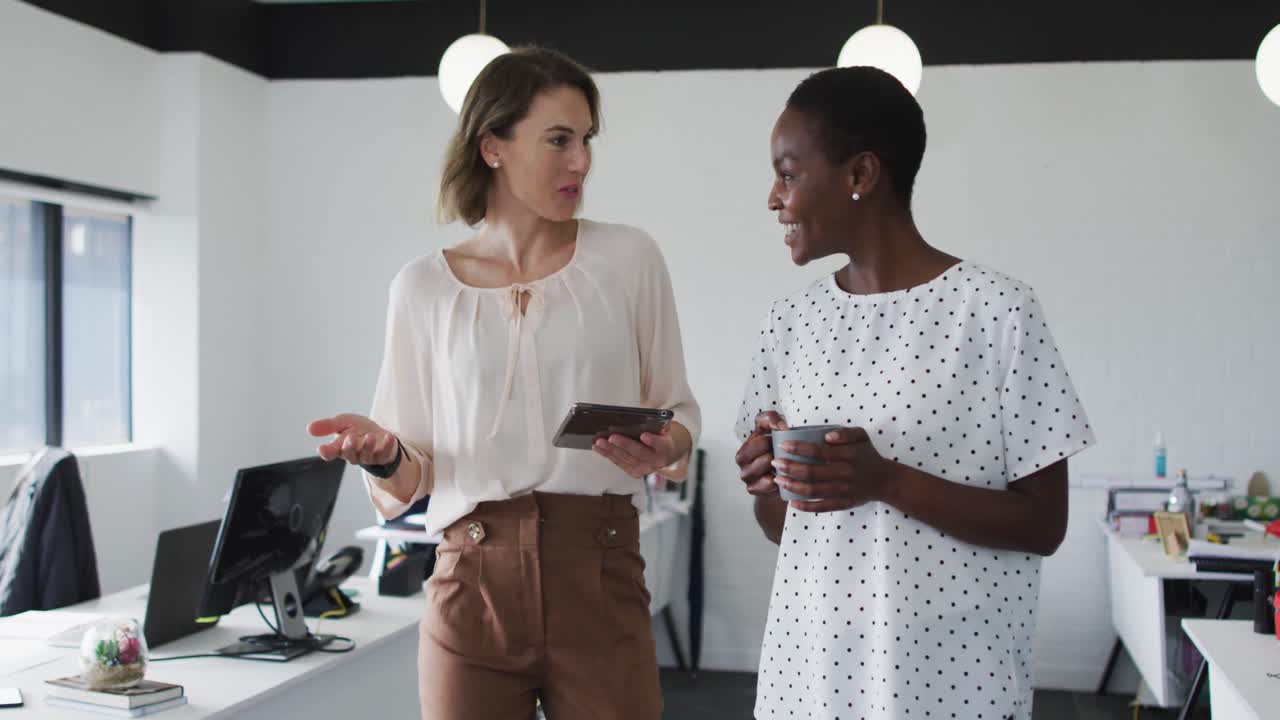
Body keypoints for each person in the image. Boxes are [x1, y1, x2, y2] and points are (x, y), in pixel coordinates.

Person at [308, 46, 700, 720]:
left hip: (601, 574)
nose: (580, 161)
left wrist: (664, 446)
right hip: (471, 585)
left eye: (586, 140)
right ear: (493, 146)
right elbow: (413, 477)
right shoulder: (422, 288)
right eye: (558, 140)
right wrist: (383, 452)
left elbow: (680, 411)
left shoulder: (629, 258)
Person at [733, 66, 1093, 720]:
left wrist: (886, 480)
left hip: (953, 679)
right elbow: (785, 530)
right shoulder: (787, 326)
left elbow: (1045, 525)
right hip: (813, 674)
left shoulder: (997, 311)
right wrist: (769, 485)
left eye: (788, 173)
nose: (772, 197)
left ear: (860, 175)